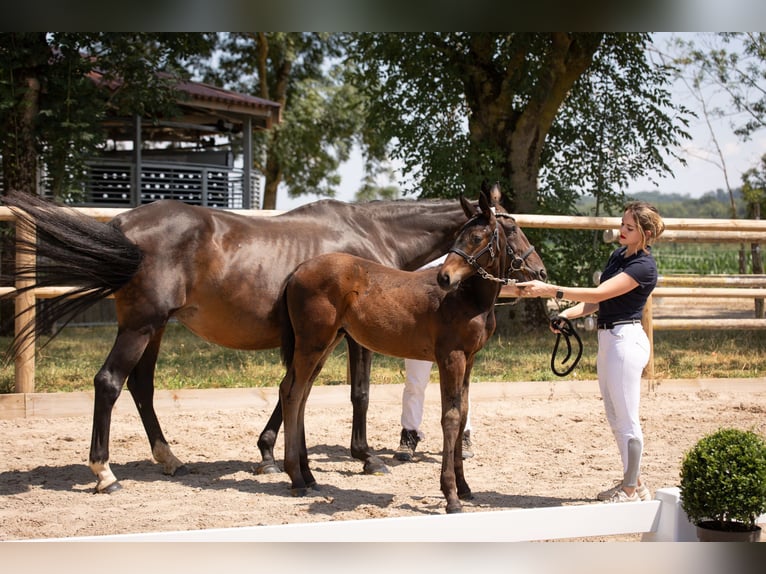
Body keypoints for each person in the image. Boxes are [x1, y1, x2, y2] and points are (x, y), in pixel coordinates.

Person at [513, 201, 665, 504]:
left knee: (627, 418)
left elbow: (599, 293)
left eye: (629, 228)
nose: (622, 230)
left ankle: (630, 489)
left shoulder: (643, 267)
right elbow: (597, 302)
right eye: (623, 224)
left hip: (626, 340)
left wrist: (551, 290)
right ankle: (634, 482)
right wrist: (568, 315)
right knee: (614, 415)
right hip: (609, 339)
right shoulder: (619, 256)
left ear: (645, 234)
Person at [394, 255, 474, 462]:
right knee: (415, 381)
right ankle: (409, 433)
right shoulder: (419, 255)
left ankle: (464, 433)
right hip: (422, 325)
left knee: (460, 384)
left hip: (454, 327)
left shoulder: (463, 254)